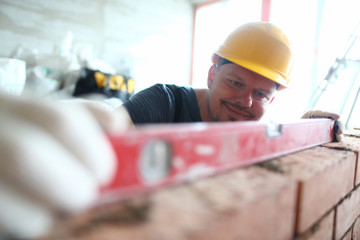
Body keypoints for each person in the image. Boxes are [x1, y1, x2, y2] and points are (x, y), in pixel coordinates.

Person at [0, 21, 342, 239]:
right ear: (212, 75)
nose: (245, 101)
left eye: (260, 94)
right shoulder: (162, 102)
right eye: (235, 82)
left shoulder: (254, 127)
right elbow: (107, 140)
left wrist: (312, 127)